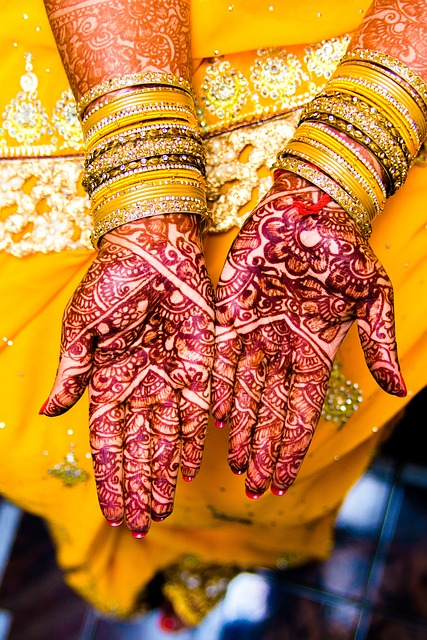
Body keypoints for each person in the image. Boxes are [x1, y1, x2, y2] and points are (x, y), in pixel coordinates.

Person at [0, 0, 426, 629]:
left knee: (301, 428)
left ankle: (217, 553)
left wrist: (339, 167)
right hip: (99, 51)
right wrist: (148, 198)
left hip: (386, 64)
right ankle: (187, 555)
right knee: (36, 431)